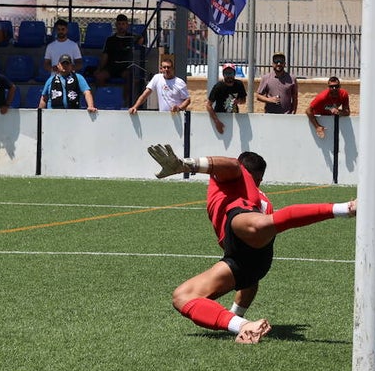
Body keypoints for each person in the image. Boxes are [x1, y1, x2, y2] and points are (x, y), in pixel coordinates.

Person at [145, 143, 357, 344]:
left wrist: (185, 165)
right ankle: (242, 324)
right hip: (253, 264)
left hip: (242, 238)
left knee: (254, 225)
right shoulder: (264, 199)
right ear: (261, 179)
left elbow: (233, 165)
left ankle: (345, 208)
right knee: (182, 296)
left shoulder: (236, 175)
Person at [96, 14, 142, 102]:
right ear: (116, 25)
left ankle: (124, 103)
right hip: (111, 67)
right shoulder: (110, 40)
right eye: (119, 24)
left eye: (123, 24)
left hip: (125, 68)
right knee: (99, 77)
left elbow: (141, 40)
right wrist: (99, 69)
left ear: (127, 25)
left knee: (130, 77)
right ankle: (105, 99)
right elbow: (105, 56)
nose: (121, 26)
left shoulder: (131, 38)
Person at [206, 63, 247, 134]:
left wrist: (238, 101)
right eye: (226, 73)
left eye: (231, 73)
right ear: (223, 74)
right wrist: (216, 121)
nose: (229, 76)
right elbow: (208, 105)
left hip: (234, 117)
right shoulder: (218, 87)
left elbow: (244, 100)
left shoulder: (239, 84)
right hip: (221, 117)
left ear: (234, 74)